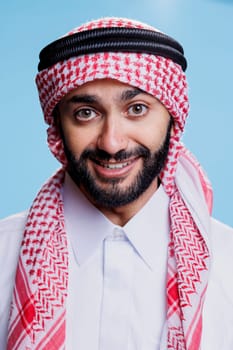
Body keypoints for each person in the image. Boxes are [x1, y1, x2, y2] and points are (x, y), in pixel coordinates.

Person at [1, 16, 233, 350]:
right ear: (58, 126)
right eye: (86, 113)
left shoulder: (226, 262)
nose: (112, 143)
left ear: (172, 119)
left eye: (137, 109)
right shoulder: (4, 254)